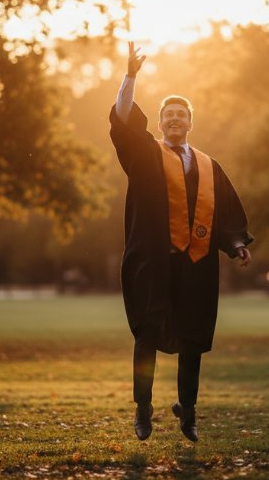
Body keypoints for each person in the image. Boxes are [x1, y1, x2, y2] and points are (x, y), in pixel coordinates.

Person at [109, 42, 254, 442]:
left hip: (197, 264)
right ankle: (143, 409)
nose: (175, 120)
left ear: (190, 122)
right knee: (147, 335)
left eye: (181, 115)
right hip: (153, 262)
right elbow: (122, 120)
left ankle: (187, 412)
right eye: (168, 115)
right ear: (159, 123)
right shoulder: (144, 154)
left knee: (192, 339)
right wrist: (131, 75)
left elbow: (225, 213)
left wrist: (236, 243)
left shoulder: (209, 166)